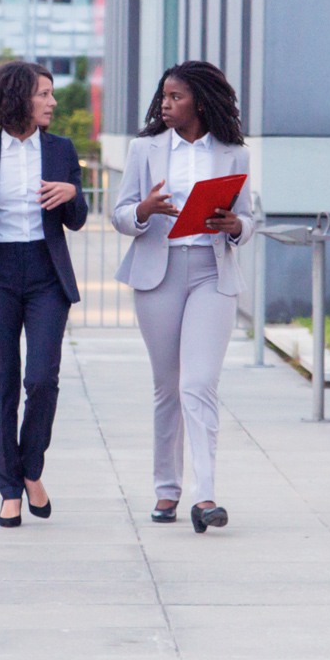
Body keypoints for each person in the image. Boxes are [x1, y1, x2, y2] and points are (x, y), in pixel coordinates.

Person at [110, 61, 256, 533]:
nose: (165, 105)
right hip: (159, 271)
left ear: (200, 101)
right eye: (164, 97)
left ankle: (205, 495)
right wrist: (144, 210)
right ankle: (166, 490)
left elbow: (249, 217)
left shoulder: (234, 153)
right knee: (167, 386)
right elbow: (119, 214)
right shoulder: (144, 149)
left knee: (199, 383)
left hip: (212, 275)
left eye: (176, 97)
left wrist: (237, 227)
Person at [0, 60, 89, 528]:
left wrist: (72, 191)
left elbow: (77, 219)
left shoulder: (62, 150)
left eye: (52, 94)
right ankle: (10, 488)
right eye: (44, 94)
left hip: (47, 275)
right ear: (17, 98)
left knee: (42, 379)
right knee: (2, 383)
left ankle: (31, 467)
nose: (52, 102)